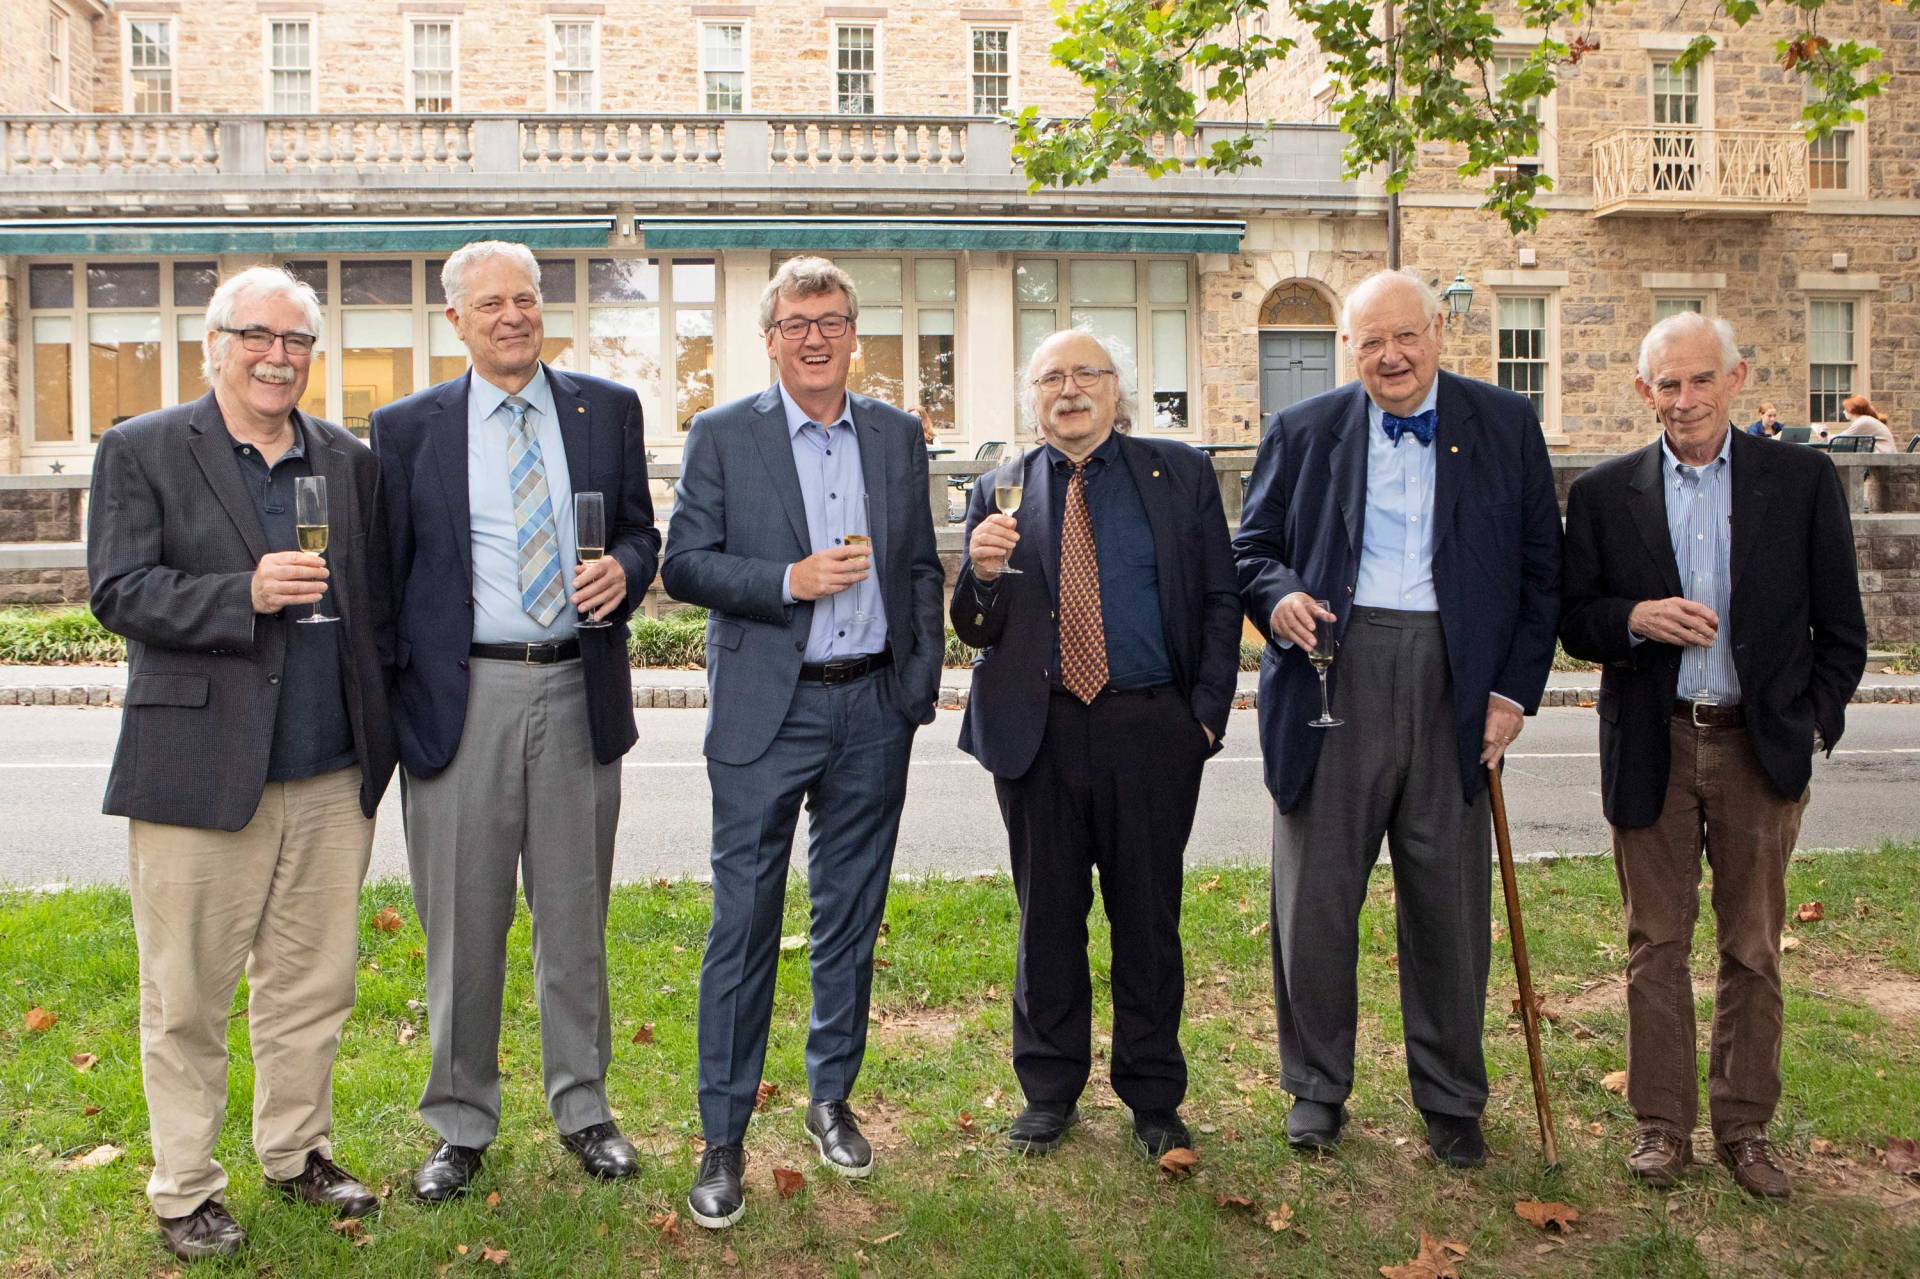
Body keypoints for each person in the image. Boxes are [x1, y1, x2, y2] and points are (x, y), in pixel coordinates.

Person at [86, 266, 397, 1261]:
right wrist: (242, 594)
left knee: (311, 985)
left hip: (327, 770)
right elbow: (120, 590)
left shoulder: (346, 460)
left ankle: (297, 1149)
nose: (278, 355)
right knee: (187, 997)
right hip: (198, 770)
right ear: (214, 344)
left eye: (297, 340)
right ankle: (184, 1188)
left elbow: (376, 605)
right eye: (257, 335)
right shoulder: (142, 450)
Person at [1232, 269, 1561, 1168]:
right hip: (1331, 674)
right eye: (1371, 341)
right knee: (1316, 903)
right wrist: (1281, 596)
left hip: (1459, 682)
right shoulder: (1302, 431)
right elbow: (1250, 549)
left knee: (1449, 904)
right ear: (1349, 348)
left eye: (1406, 336)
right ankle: (1315, 1088)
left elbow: (1543, 574)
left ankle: (1452, 1098)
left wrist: (1512, 692)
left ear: (1440, 334)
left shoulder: (1504, 424)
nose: (1392, 356)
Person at [371, 241, 659, 1201]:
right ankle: (460, 1122)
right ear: (455, 320)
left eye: (526, 300)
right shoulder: (407, 427)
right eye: (490, 303)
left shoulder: (606, 410)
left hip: (578, 687)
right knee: (464, 922)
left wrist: (627, 567)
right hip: (466, 699)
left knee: (575, 917)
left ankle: (584, 1108)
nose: (512, 316)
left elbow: (641, 531)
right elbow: (388, 578)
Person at [663, 257, 944, 1229]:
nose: (814, 335)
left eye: (830, 318)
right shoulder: (722, 436)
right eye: (795, 321)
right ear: (771, 337)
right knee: (742, 921)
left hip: (870, 710)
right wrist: (790, 580)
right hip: (764, 714)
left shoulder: (897, 436)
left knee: (848, 915)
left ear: (852, 332)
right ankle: (723, 1139)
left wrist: (915, 692)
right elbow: (685, 564)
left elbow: (919, 569)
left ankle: (830, 1098)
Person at [1560, 312, 1866, 1200]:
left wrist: (1809, 724)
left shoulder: (1801, 480)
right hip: (1652, 742)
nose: (1684, 400)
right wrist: (1633, 618)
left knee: (1753, 946)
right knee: (1655, 944)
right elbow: (1574, 619)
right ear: (1643, 390)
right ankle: (1662, 1126)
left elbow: (1842, 633)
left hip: (1756, 747)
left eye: (1700, 381)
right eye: (1667, 384)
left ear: (1736, 381)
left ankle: (1744, 1126)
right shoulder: (1609, 491)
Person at [951, 331, 1242, 1159]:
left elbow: (1222, 600)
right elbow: (975, 627)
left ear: (1121, 390)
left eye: (1087, 374)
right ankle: (1048, 1089)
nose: (1069, 389)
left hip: (1150, 727)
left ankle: (1154, 1095)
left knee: (1147, 917)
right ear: (1032, 396)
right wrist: (977, 574)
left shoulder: (1177, 475)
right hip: (1036, 732)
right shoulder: (1000, 487)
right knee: (1047, 917)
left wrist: (1206, 717)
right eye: (1051, 377)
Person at [1829, 393, 1897, 453]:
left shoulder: (1862, 422)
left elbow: (1839, 440)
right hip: (1883, 456)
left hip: (1882, 459)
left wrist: (1824, 437)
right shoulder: (1865, 420)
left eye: (1845, 409)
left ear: (1852, 410)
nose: (1844, 412)